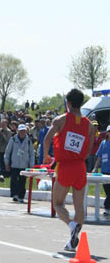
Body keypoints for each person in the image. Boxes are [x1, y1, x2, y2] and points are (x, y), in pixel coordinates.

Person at [43, 89, 95, 250]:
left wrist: (46, 155)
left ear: (69, 103)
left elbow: (47, 138)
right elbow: (89, 149)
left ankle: (71, 225)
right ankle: (73, 240)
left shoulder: (60, 120)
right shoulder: (89, 125)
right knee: (79, 206)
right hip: (80, 166)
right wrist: (79, 157)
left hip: (65, 166)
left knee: (57, 203)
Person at [4, 123, 35, 203]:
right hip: (14, 164)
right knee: (14, 180)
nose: (22, 133)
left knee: (22, 181)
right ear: (18, 131)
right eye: (21, 131)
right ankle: (14, 195)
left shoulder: (28, 141)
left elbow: (31, 154)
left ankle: (21, 196)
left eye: (24, 131)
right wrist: (6, 163)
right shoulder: (13, 139)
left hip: (24, 165)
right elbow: (8, 152)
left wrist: (31, 166)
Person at [92, 125, 110, 216]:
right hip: (105, 171)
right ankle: (107, 209)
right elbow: (99, 157)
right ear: (107, 133)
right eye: (109, 131)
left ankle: (107, 208)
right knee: (108, 191)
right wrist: (95, 167)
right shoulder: (103, 143)